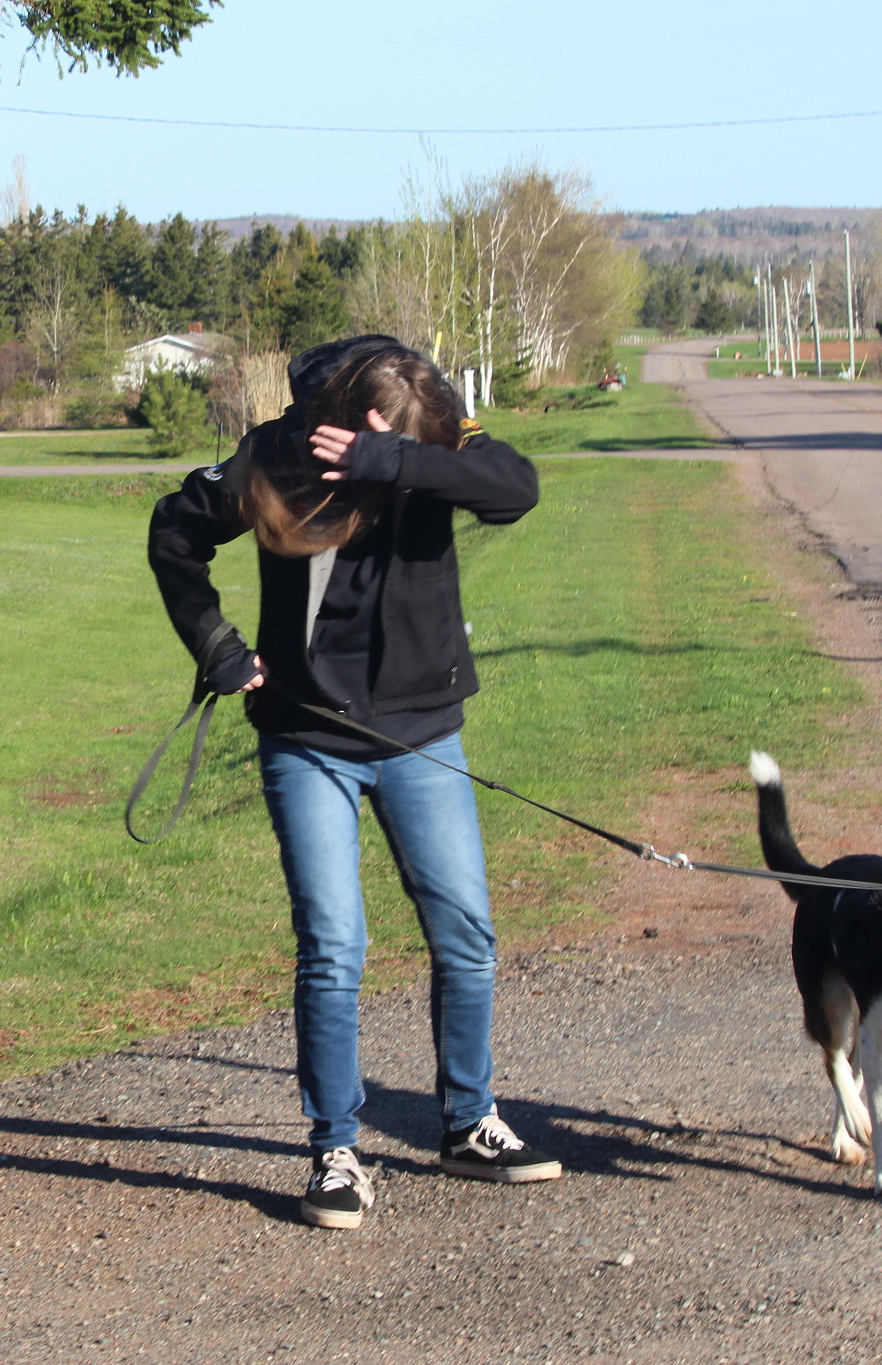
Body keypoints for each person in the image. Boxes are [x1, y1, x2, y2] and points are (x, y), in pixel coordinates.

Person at [147, 335, 556, 1230]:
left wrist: (397, 458)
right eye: (380, 448)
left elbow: (516, 489)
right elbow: (173, 532)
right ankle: (335, 1151)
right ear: (346, 422)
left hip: (422, 733)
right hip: (305, 738)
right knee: (335, 945)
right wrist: (216, 644)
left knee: (466, 933)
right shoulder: (277, 456)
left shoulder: (428, 445)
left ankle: (468, 1122)